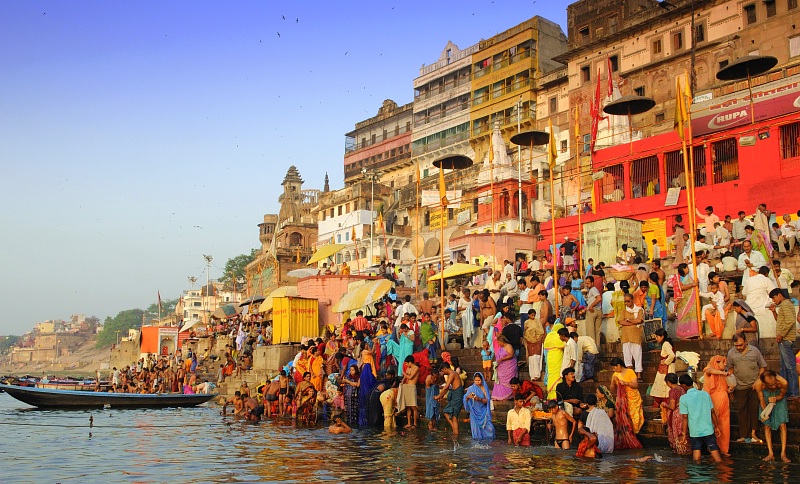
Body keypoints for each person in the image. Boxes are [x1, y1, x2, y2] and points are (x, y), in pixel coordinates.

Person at [727, 332, 768, 443]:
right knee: (742, 411)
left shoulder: (754, 351)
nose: (738, 347)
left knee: (754, 409)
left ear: (746, 341)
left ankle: (754, 434)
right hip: (739, 387)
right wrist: (731, 385)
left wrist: (758, 380)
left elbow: (762, 366)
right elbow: (730, 369)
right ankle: (744, 435)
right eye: (736, 345)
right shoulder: (731, 353)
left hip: (754, 386)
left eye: (740, 345)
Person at [679, 374, 723, 462]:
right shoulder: (705, 394)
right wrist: (717, 427)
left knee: (696, 453)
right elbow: (712, 412)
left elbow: (685, 417)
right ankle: (721, 468)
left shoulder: (683, 398)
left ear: (683, 385)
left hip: (695, 431)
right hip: (708, 429)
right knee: (714, 451)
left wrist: (683, 434)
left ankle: (696, 470)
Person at [755, 370, 792, 463]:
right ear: (764, 384)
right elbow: (761, 400)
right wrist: (765, 413)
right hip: (765, 396)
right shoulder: (759, 385)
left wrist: (776, 398)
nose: (774, 386)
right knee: (767, 425)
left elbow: (782, 395)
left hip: (779, 398)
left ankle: (783, 453)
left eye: (775, 383)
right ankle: (770, 453)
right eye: (771, 385)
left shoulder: (783, 383)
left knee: (782, 424)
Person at [769, 288, 799, 397]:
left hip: (785, 340)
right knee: (785, 368)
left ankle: (794, 393)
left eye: (774, 298)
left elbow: (790, 321)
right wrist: (774, 312)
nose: (774, 300)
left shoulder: (785, 304)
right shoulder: (785, 305)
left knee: (790, 368)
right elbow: (781, 321)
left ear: (779, 295)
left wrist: (781, 334)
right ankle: (787, 392)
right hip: (785, 340)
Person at [610, 357, 644, 442]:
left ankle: (635, 434)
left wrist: (626, 383)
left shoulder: (630, 372)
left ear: (619, 365)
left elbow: (635, 385)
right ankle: (627, 435)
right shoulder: (615, 375)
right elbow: (612, 389)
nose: (614, 369)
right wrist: (613, 382)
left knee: (634, 417)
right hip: (622, 400)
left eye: (614, 367)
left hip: (633, 398)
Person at [702, 355, 731, 456]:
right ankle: (713, 448)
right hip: (713, 401)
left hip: (724, 401)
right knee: (715, 424)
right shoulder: (709, 370)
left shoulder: (723, 374)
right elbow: (709, 370)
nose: (725, 364)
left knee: (725, 425)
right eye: (723, 362)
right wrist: (723, 373)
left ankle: (724, 449)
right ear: (717, 362)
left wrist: (729, 389)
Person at [649, 328, 675, 422]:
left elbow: (672, 355)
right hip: (666, 367)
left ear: (662, 336)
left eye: (657, 337)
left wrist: (665, 362)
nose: (656, 338)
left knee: (664, 386)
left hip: (667, 368)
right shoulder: (666, 343)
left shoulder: (665, 344)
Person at [744, 266, 777, 338]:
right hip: (762, 302)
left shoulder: (749, 279)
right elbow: (773, 292)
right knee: (775, 299)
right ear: (766, 274)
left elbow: (744, 292)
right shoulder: (766, 279)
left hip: (749, 303)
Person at [662, 373, 691, 455]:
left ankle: (680, 451)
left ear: (668, 382)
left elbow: (672, 406)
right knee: (684, 431)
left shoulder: (672, 391)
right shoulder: (682, 388)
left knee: (677, 432)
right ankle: (687, 450)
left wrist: (664, 405)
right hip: (685, 412)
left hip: (677, 414)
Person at [671, 263, 700, 339]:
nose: (688, 269)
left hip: (691, 300)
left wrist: (696, 283)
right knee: (683, 316)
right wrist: (692, 284)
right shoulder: (679, 277)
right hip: (684, 300)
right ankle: (684, 334)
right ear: (684, 269)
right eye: (687, 268)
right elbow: (681, 287)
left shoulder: (689, 276)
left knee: (692, 315)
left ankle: (693, 332)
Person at [463, 372, 495, 440]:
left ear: (482, 380)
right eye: (476, 380)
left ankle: (489, 442)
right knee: (476, 431)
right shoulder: (471, 388)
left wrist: (480, 399)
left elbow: (487, 400)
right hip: (474, 412)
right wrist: (468, 397)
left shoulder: (484, 388)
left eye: (479, 380)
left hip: (483, 411)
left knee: (490, 429)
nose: (477, 382)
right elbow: (465, 398)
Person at [620, 293, 644, 381]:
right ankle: (630, 375)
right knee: (627, 355)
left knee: (637, 355)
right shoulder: (623, 311)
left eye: (628, 301)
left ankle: (639, 375)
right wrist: (633, 322)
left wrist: (628, 321)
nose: (627, 303)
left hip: (636, 336)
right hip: (626, 336)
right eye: (625, 301)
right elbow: (621, 322)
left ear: (632, 300)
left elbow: (640, 320)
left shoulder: (639, 310)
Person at [435, 363, 464, 435]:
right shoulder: (451, 375)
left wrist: (438, 396)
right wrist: (441, 396)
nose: (443, 373)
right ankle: (454, 429)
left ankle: (456, 434)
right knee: (446, 412)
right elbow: (447, 389)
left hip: (457, 396)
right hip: (454, 396)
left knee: (454, 417)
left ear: (445, 369)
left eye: (442, 371)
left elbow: (446, 387)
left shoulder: (452, 374)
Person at [544, 322, 566, 399]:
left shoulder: (549, 335)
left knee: (551, 376)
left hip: (550, 356)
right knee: (557, 376)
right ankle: (555, 396)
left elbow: (545, 345)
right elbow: (564, 345)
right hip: (557, 356)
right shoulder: (557, 336)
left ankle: (550, 394)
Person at [491, 334, 516, 401]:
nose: (498, 344)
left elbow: (511, 355)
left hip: (509, 366)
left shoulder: (508, 346)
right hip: (501, 367)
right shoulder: (501, 348)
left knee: (508, 381)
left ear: (502, 341)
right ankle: (500, 395)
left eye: (499, 342)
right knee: (499, 380)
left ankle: (508, 395)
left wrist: (502, 359)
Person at [397, 355, 419, 429]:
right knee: (408, 407)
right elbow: (405, 378)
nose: (406, 365)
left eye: (406, 363)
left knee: (413, 407)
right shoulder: (408, 368)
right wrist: (402, 382)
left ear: (410, 362)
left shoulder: (416, 368)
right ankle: (409, 423)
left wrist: (404, 374)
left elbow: (410, 377)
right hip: (407, 387)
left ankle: (415, 424)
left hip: (412, 387)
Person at [523, 309, 545, 381]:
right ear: (528, 315)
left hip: (538, 340)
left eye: (534, 315)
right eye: (531, 315)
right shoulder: (526, 322)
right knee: (531, 358)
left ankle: (537, 375)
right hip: (529, 341)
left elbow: (541, 331)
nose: (533, 316)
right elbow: (525, 331)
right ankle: (532, 375)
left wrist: (533, 329)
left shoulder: (538, 321)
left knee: (537, 357)